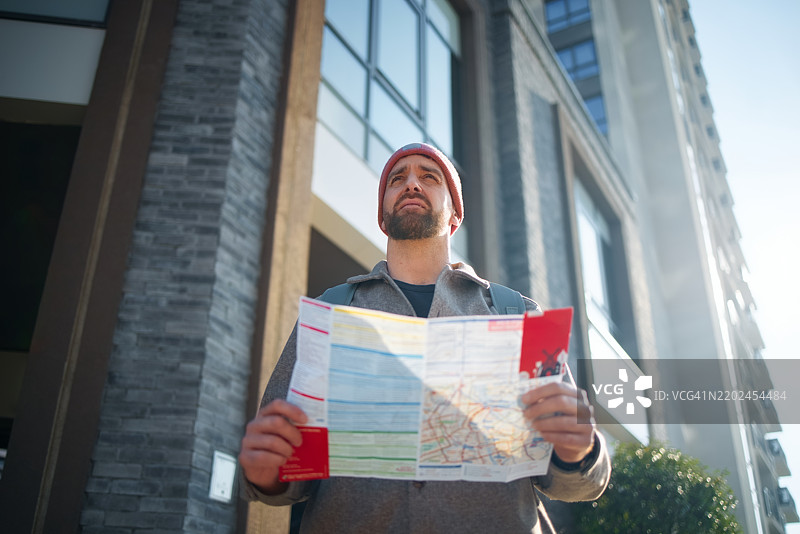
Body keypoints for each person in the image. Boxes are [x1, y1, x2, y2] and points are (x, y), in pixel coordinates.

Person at [239, 142, 610, 533]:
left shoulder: (517, 314)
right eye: (397, 179)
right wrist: (268, 473)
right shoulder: (329, 315)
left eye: (429, 177)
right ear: (383, 217)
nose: (411, 184)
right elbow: (282, 475)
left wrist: (579, 453)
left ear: (454, 216)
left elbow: (578, 483)